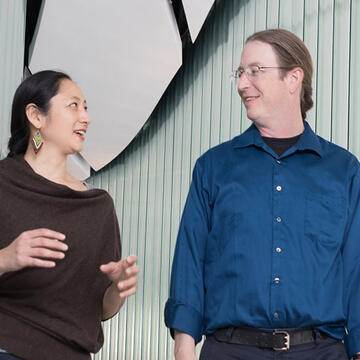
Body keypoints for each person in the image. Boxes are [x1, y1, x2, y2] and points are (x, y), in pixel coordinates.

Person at [164, 29, 360, 360]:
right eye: (240, 73)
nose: (242, 84)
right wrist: (183, 346)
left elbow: (356, 267)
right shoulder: (213, 167)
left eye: (255, 71)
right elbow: (190, 259)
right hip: (229, 350)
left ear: (293, 78)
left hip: (322, 352)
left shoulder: (344, 170)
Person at [0, 70, 139, 360]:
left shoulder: (98, 206)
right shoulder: (3, 183)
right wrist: (7, 257)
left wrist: (118, 289)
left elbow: (102, 309)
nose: (85, 117)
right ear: (36, 116)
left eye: (86, 107)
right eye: (73, 105)